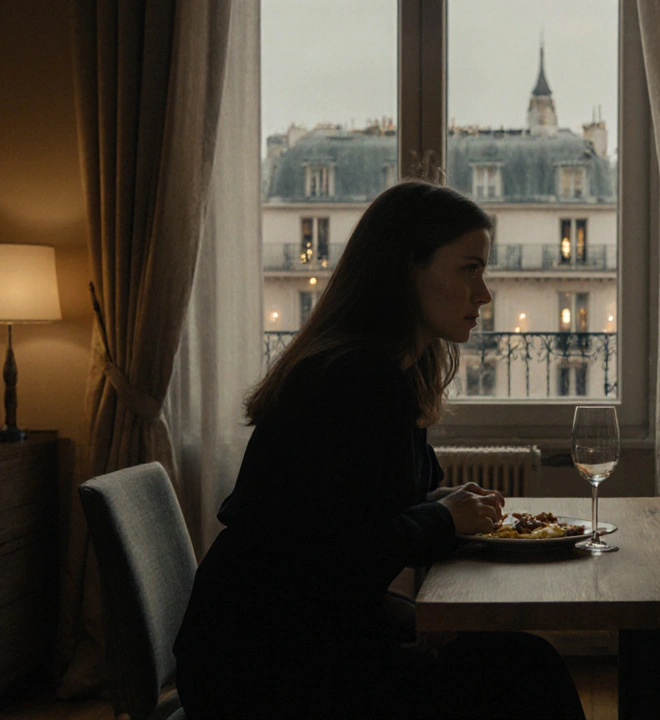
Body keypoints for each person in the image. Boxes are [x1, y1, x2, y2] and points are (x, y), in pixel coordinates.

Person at [174, 181, 586, 719]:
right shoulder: (352, 381)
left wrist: (445, 506)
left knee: (522, 665)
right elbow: (329, 556)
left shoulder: (391, 371)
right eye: (469, 269)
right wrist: (443, 518)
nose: (484, 293)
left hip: (291, 637)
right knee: (528, 673)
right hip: (263, 668)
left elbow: (356, 517)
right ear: (407, 269)